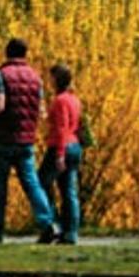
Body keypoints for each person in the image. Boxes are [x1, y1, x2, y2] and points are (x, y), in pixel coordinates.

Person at [0, 38, 61, 244]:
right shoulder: (36, 78)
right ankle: (48, 223)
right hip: (26, 140)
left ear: (7, 53)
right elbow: (41, 111)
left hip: (3, 140)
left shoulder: (1, 74)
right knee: (32, 184)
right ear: (25, 54)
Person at [38, 64, 83, 245]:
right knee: (68, 190)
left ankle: (53, 223)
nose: (50, 82)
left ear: (57, 80)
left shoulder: (60, 101)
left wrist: (59, 154)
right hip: (74, 145)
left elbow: (62, 127)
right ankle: (70, 232)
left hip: (60, 146)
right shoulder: (74, 99)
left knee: (40, 183)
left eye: (52, 78)